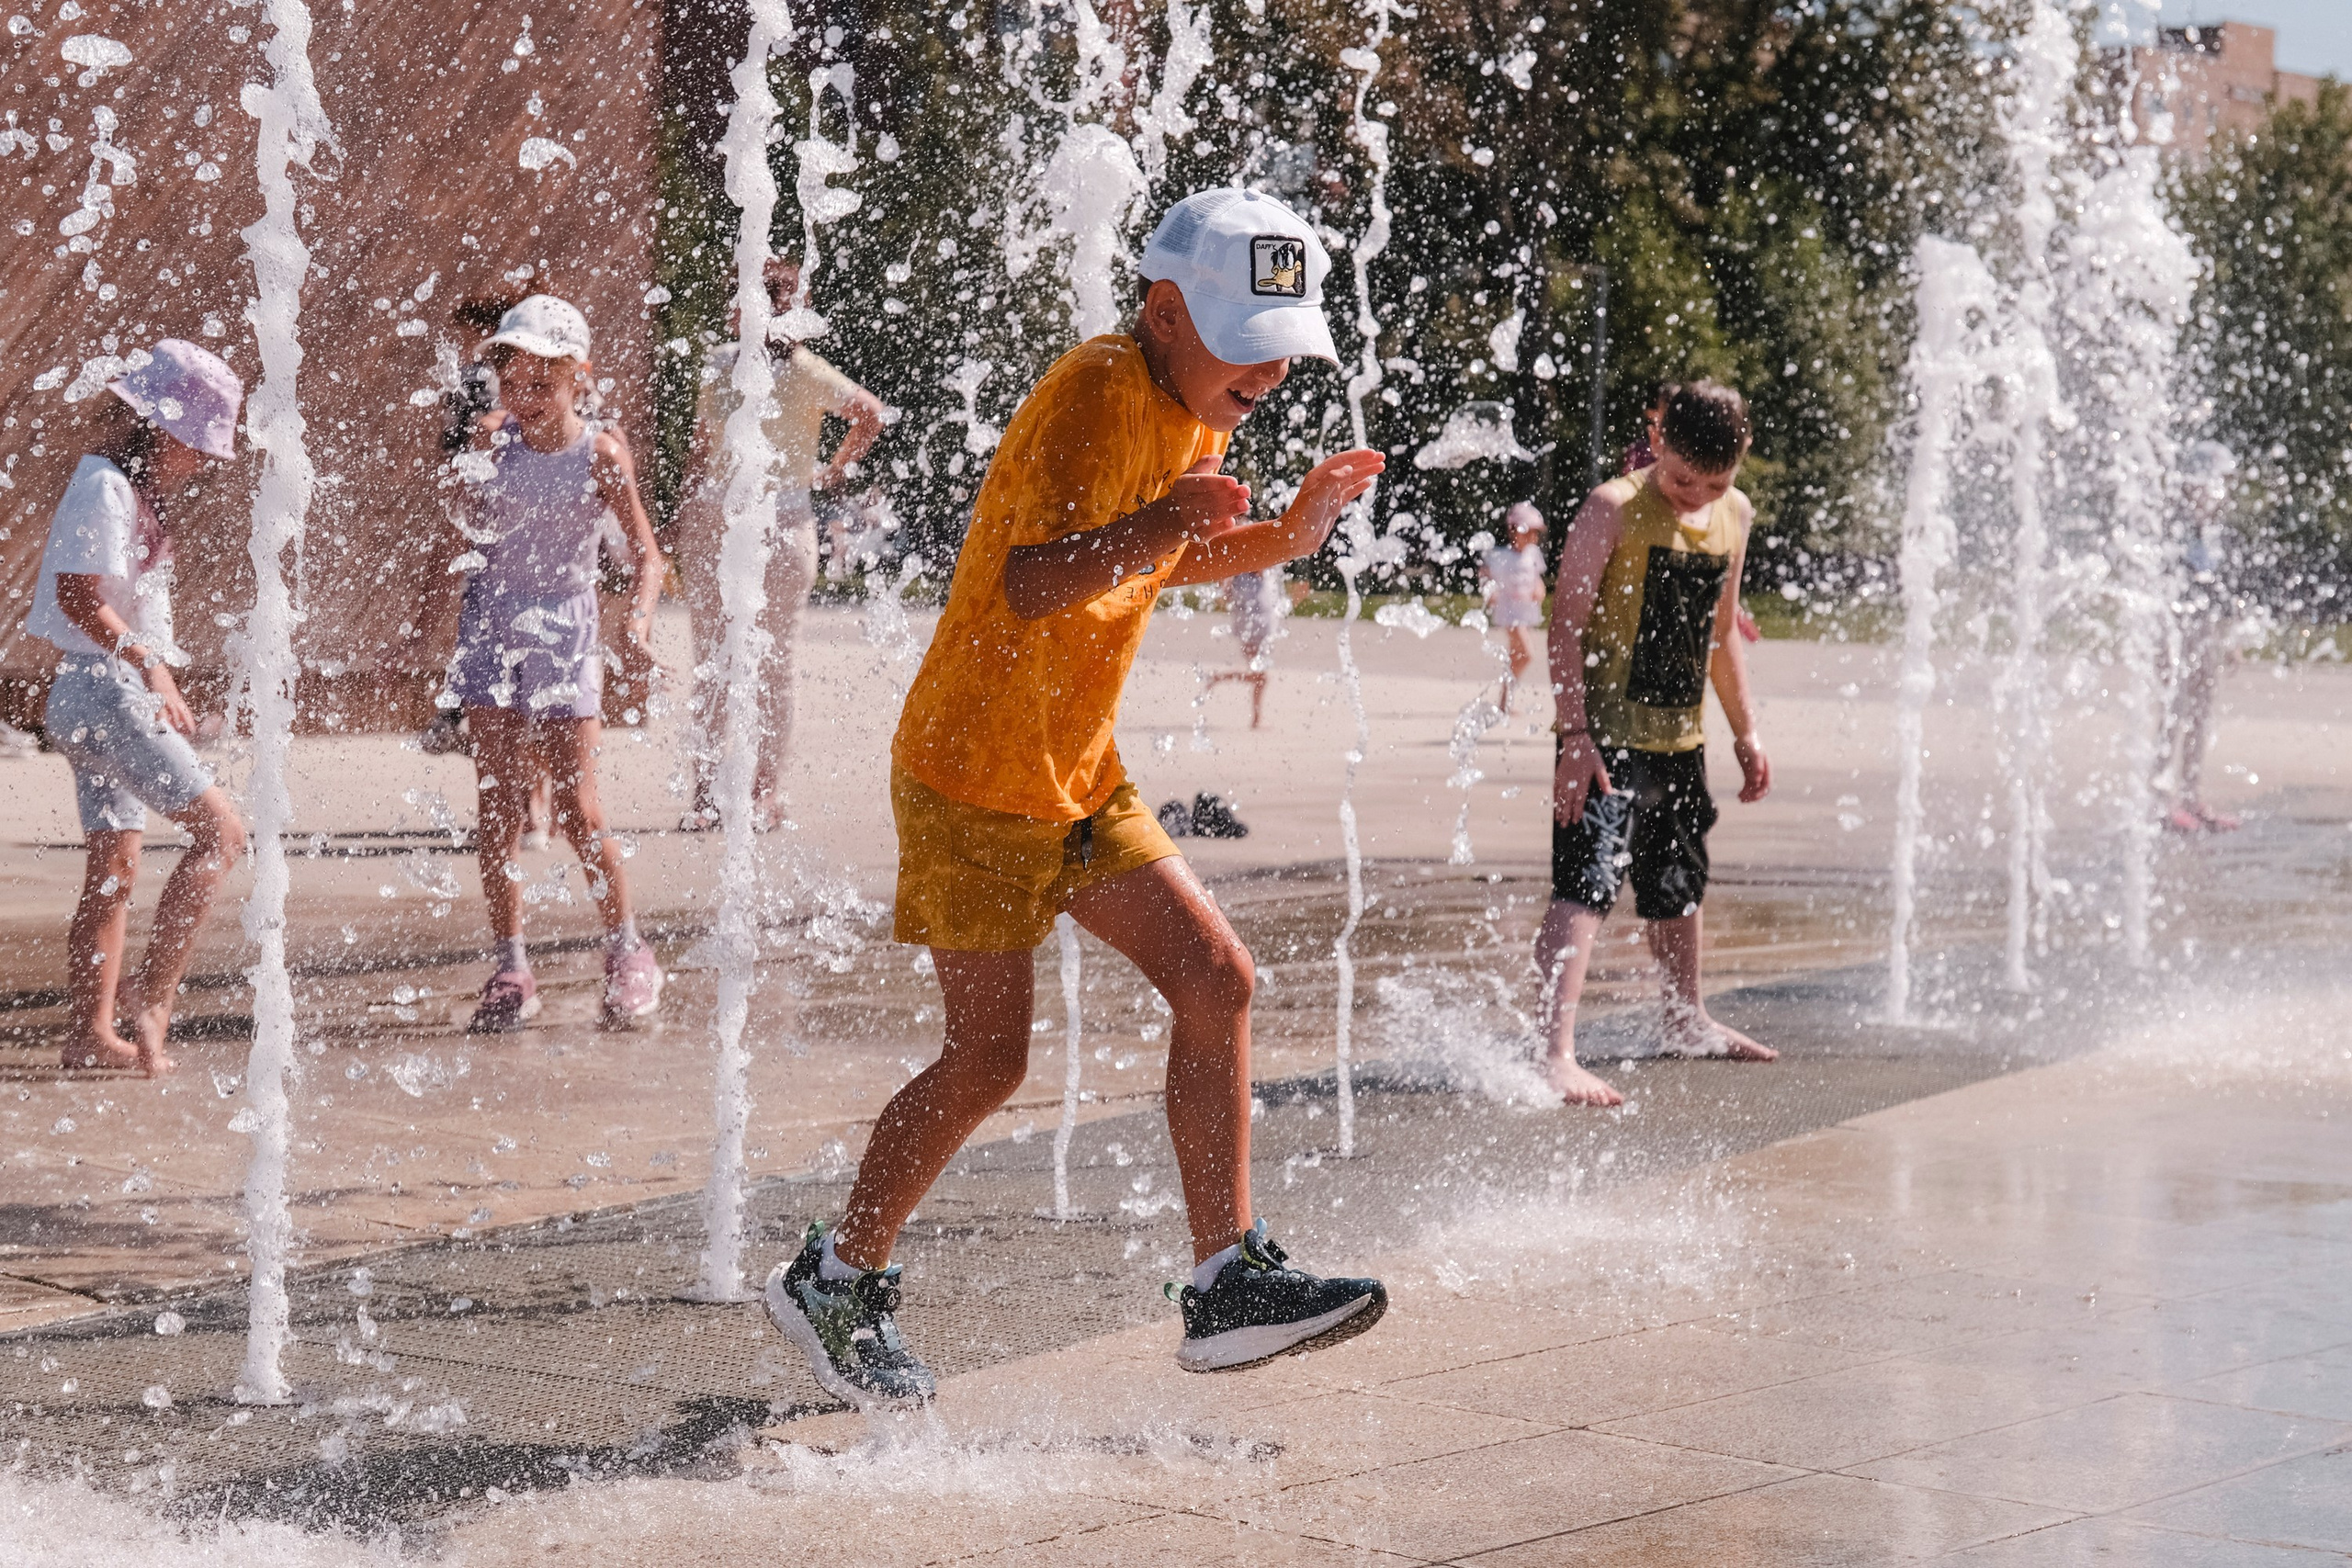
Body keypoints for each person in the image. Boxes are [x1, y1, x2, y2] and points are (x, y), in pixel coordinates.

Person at [764, 188, 1389, 1407]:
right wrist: (1162, 517)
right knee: (989, 1057)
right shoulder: (1102, 391)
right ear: (1166, 313)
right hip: (973, 772)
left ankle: (1225, 1281)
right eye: (1246, 342)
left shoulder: (1188, 405)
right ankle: (834, 1276)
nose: (1267, 372)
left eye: (1283, 348)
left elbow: (1170, 549)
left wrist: (1287, 536)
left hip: (1073, 765)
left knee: (1219, 979)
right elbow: (1030, 580)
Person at [1537, 381, 1778, 1107]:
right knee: (1586, 885)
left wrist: (1746, 730)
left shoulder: (1734, 514)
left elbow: (1722, 633)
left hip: (1680, 734)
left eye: (1715, 482)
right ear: (1658, 441)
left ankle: (1685, 1017)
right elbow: (1566, 626)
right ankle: (1553, 1052)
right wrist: (1574, 735)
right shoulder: (1612, 508)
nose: (1695, 496)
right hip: (1603, 734)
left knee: (1678, 882)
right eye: (1680, 478)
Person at [431, 294, 667, 1032]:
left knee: (576, 807)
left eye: (542, 385)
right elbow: (460, 536)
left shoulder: (598, 455)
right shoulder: (492, 445)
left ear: (578, 381)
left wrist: (638, 618)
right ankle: (511, 964)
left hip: (565, 628)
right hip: (492, 625)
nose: (524, 399)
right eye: (512, 383)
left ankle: (628, 950)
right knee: (498, 803)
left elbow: (649, 557)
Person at [27, 341, 250, 1077]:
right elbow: (76, 597)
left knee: (114, 870)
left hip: (93, 694)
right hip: (105, 690)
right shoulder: (105, 487)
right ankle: (153, 999)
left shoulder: (129, 488)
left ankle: (89, 1033)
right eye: (200, 443)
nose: (207, 460)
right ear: (165, 427)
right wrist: (152, 668)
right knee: (222, 832)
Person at [679, 256, 887, 831]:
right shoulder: (720, 364)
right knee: (714, 659)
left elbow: (870, 414)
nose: (766, 304)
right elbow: (702, 445)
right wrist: (681, 512)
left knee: (767, 662)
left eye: (779, 294)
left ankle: (762, 793)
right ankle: (704, 795)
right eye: (755, 290)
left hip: (778, 522)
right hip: (715, 517)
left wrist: (832, 473)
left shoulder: (806, 371)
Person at [2161, 439, 2241, 833]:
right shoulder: (2173, 529)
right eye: (2213, 485)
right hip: (2174, 630)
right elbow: (2162, 590)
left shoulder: (2208, 532)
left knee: (2200, 710)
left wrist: (2227, 641)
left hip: (2202, 629)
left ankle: (2192, 795)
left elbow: (2215, 589)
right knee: (2172, 711)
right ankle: (2158, 799)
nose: (2219, 495)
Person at [1481, 502, 1547, 713]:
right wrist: (1490, 592)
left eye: (1536, 534)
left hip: (1525, 611)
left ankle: (1505, 700)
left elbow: (1536, 577)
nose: (1533, 538)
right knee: (1526, 654)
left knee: (1515, 656)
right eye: (1529, 532)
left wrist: (1539, 589)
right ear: (1514, 532)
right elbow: (1484, 575)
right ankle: (1505, 698)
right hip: (1509, 612)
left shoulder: (1533, 554)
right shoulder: (1501, 556)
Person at [1204, 566, 1285, 728]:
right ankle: (1218, 678)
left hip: (1264, 630)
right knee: (1261, 678)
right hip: (1248, 630)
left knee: (1260, 677)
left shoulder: (1267, 572)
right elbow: (1227, 596)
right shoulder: (1240, 576)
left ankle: (1256, 718)